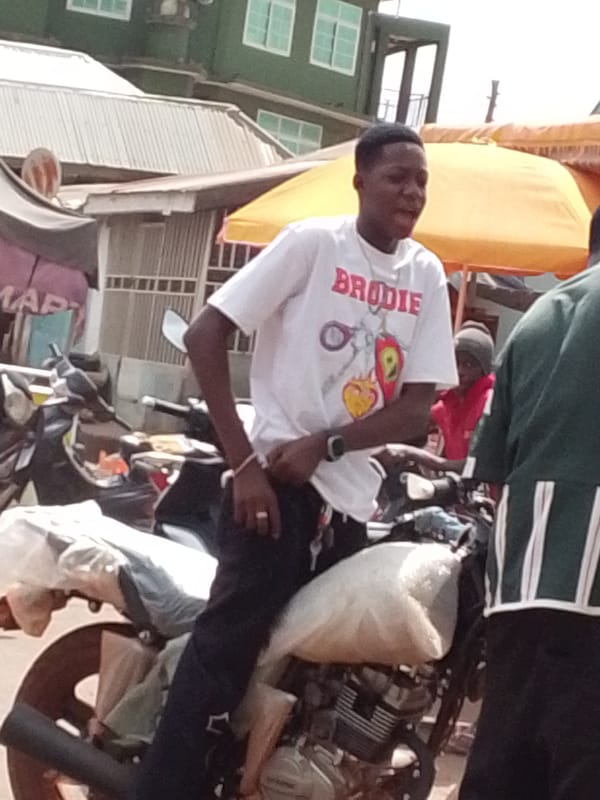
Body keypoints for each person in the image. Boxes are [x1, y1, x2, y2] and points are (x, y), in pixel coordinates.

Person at [132, 123, 458, 800]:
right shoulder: (314, 245)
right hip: (275, 493)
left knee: (316, 677)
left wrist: (332, 443)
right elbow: (205, 334)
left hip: (352, 506)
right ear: (360, 181)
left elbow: (416, 409)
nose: (412, 191)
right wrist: (246, 465)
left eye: (421, 179)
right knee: (225, 652)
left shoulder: (425, 273)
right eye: (397, 176)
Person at [459, 209, 600, 800]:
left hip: (518, 581)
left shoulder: (539, 316)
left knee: (504, 758)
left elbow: (489, 467)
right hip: (593, 591)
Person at [382, 320, 495, 474]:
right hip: (458, 491)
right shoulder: (448, 403)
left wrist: (411, 453)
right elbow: (412, 422)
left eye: (468, 365)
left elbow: (479, 465)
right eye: (455, 363)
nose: (459, 371)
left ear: (484, 371)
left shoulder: (489, 403)